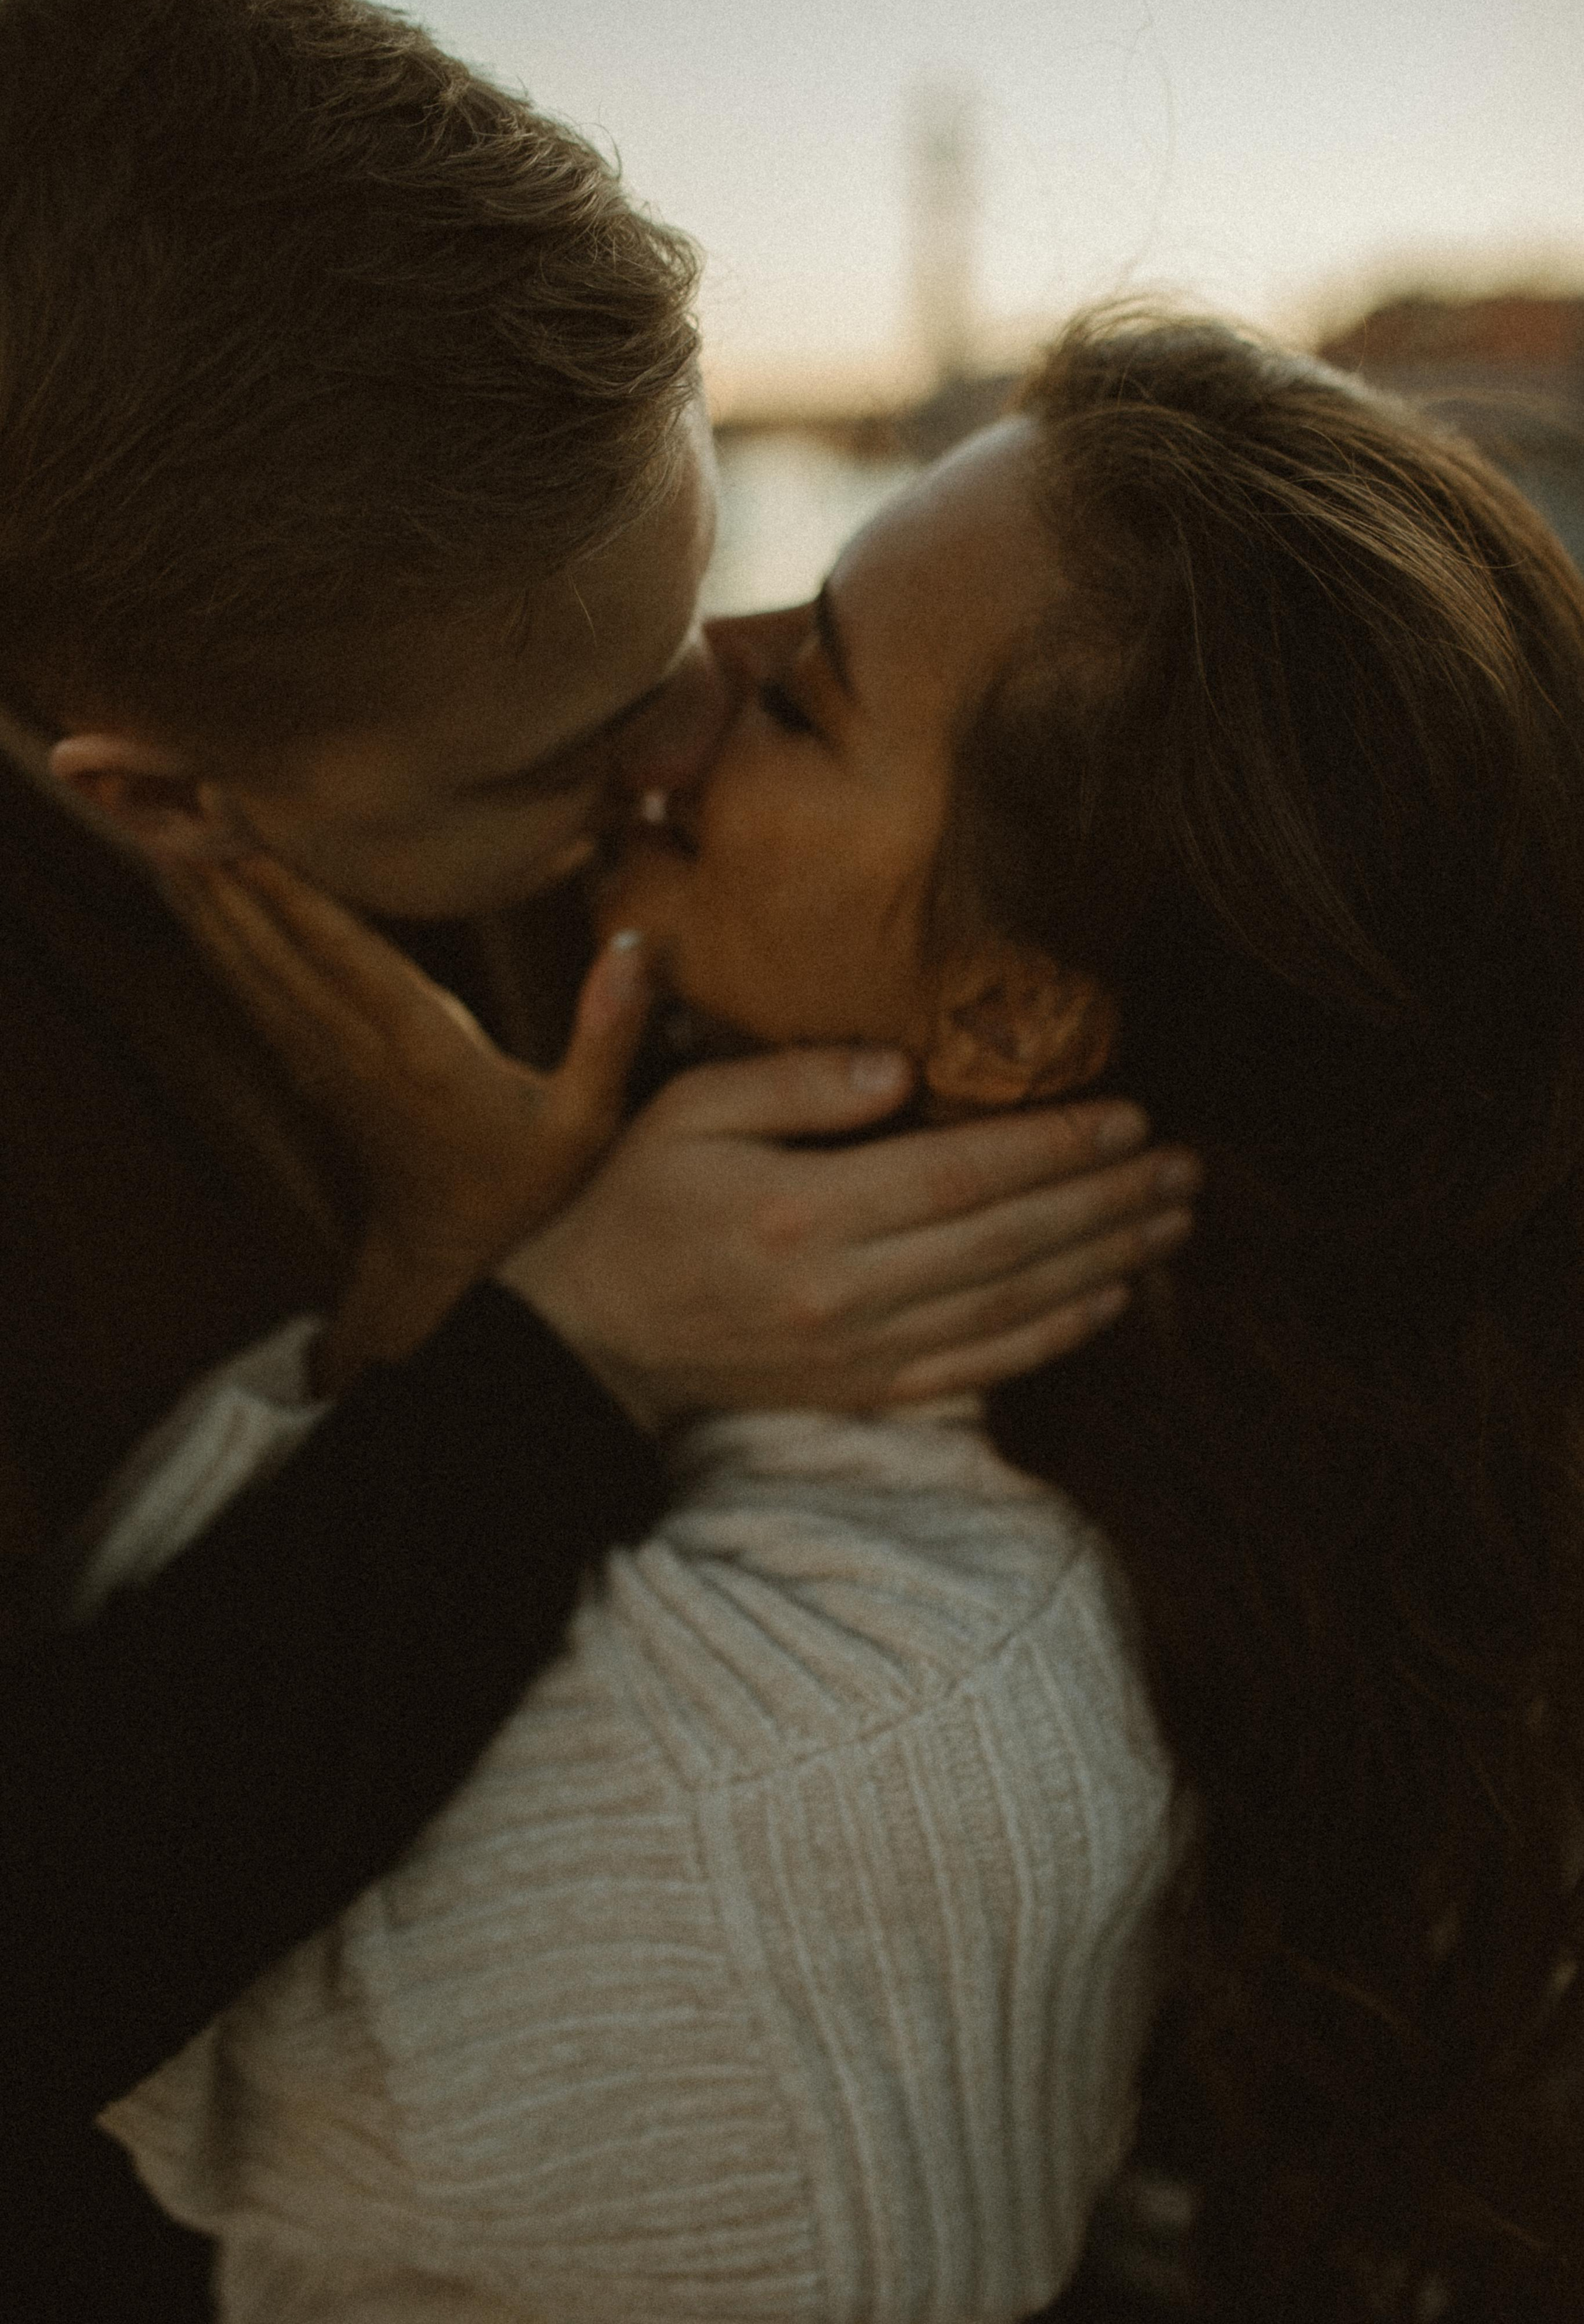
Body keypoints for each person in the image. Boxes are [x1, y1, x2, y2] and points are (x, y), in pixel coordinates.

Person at [101, 310, 1584, 2323]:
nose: (679, 684)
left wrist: (455, 1295)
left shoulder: (817, 1758)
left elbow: (131, 2020)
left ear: (1003, 1014)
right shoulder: (1106, 1455)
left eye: (800, 699)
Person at [0, 0, 1192, 2312]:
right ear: (154, 799)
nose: (686, 753)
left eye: (704, 599)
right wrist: (543, 1348)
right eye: (568, 763)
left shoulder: (497, 735)